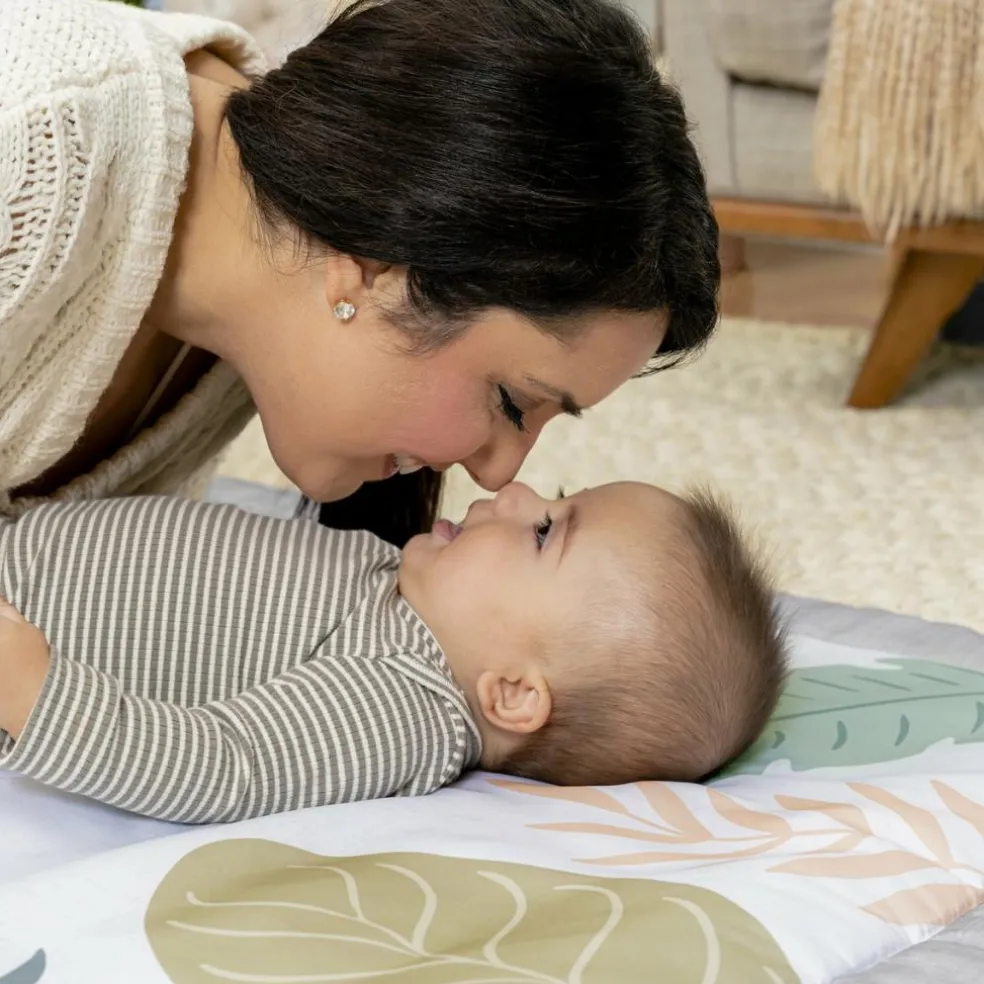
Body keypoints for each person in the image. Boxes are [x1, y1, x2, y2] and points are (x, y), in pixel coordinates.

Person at [0, 0, 719, 550]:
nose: (499, 476)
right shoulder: (27, 148)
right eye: (509, 400)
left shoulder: (260, 292)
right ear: (374, 261)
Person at [0, 481, 786, 824]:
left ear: (512, 691)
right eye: (554, 499)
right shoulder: (411, 604)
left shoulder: (400, 705)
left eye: (545, 530)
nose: (514, 494)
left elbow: (223, 767)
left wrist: (35, 693)